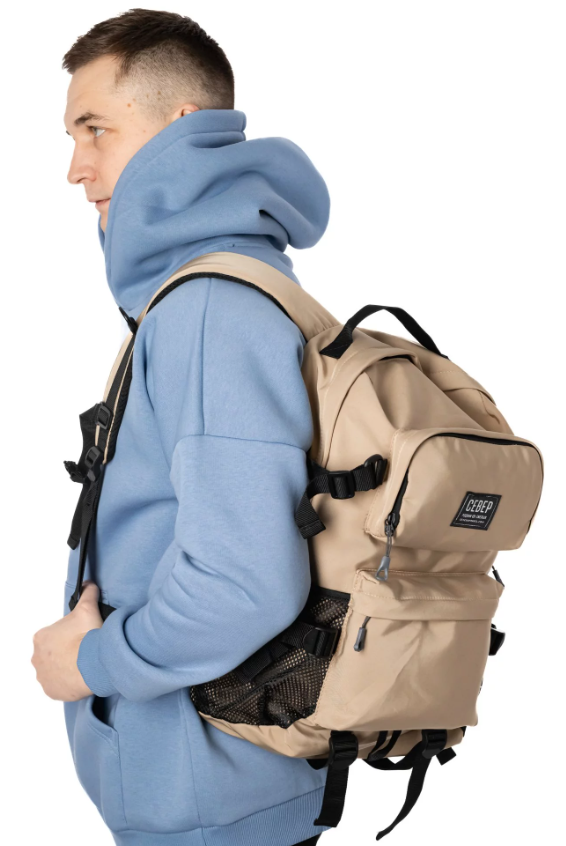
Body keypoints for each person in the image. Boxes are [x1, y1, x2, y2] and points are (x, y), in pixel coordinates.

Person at [30, 9, 331, 846]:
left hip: (208, 807)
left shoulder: (207, 310)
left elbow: (241, 584)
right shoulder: (218, 292)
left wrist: (86, 663)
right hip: (218, 786)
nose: (75, 167)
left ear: (181, 129)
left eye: (96, 129)